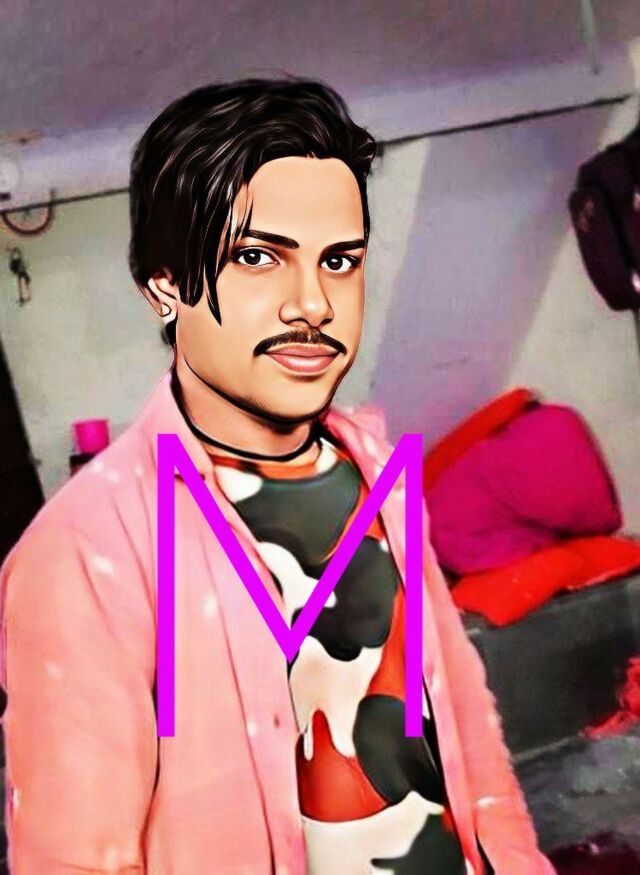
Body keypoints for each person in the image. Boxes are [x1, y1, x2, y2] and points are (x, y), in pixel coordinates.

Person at [0, 79, 554, 874]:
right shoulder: (88, 550)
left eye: (340, 261)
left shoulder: (378, 471)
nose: (313, 304)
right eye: (258, 257)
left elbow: (464, 717)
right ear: (165, 285)